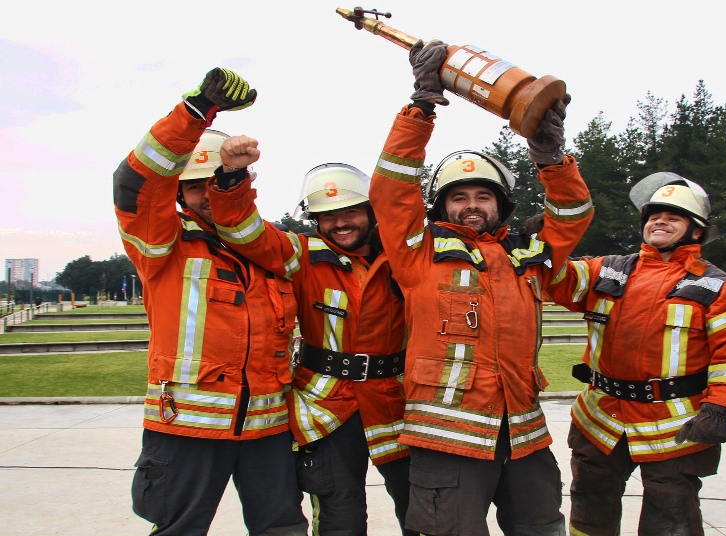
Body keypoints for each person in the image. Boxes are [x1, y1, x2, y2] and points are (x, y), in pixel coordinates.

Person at [367, 40, 594, 536]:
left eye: (483, 196)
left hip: (525, 439)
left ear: (501, 205)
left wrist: (551, 155)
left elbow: (574, 214)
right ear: (442, 208)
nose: (472, 205)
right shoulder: (416, 253)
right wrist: (421, 106)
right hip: (446, 444)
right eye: (460, 197)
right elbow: (389, 189)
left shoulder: (528, 257)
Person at [113, 68, 307, 535]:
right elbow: (134, 182)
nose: (204, 196)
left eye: (211, 184)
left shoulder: (272, 248)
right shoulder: (162, 243)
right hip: (186, 431)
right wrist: (196, 111)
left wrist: (230, 180)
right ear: (177, 193)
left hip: (266, 430)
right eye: (193, 186)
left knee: (283, 529)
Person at [205, 146, 414, 535]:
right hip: (326, 407)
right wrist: (233, 176)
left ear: (371, 212)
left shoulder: (404, 257)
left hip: (394, 400)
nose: (340, 223)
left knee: (422, 510)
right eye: (328, 216)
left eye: (350, 212)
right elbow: (240, 230)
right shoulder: (299, 254)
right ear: (314, 219)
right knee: (341, 518)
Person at [546, 173, 726, 535]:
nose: (660, 220)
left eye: (674, 216)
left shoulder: (718, 288)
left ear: (696, 231)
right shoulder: (608, 269)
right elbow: (554, 278)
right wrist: (549, 243)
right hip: (602, 420)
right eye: (654, 214)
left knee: (671, 519)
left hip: (676, 427)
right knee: (589, 510)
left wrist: (720, 407)